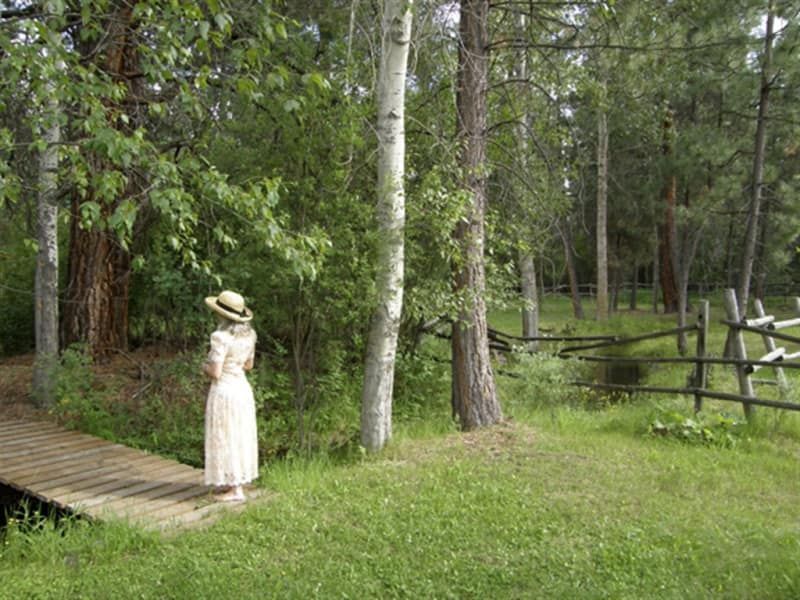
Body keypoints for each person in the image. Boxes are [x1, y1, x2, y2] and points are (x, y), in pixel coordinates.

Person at [202, 290, 259, 502]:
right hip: (242, 390)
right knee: (239, 434)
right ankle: (234, 482)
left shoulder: (220, 338)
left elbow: (215, 372)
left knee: (225, 435)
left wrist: (204, 366)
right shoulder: (250, 336)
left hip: (224, 391)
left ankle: (235, 490)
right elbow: (249, 365)